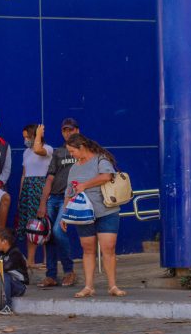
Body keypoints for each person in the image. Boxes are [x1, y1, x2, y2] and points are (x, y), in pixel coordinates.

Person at [61, 133, 125, 298]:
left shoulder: (100, 159)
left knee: (108, 248)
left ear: (81, 148)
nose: (71, 155)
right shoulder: (74, 168)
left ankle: (113, 286)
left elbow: (107, 176)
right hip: (83, 215)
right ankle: (89, 286)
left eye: (72, 151)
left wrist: (85, 185)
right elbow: (68, 192)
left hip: (106, 212)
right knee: (87, 249)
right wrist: (64, 214)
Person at [37, 118, 79, 287]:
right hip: (53, 198)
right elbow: (50, 178)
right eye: (64, 130)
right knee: (48, 235)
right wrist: (42, 203)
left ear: (77, 130)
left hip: (68, 198)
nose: (67, 133)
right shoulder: (58, 152)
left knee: (57, 231)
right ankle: (51, 275)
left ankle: (69, 271)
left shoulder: (84, 151)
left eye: (70, 130)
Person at [17, 124, 52, 265]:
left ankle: (46, 261)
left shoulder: (47, 149)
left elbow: (38, 149)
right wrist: (21, 195)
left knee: (43, 224)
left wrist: (38, 134)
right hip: (28, 190)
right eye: (24, 137)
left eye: (28, 136)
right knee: (29, 225)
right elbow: (24, 175)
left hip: (41, 189)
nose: (26, 139)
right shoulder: (26, 152)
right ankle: (30, 261)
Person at [0, 227, 28, 313]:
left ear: (4, 242)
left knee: (5, 275)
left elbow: (5, 268)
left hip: (19, 286)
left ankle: (7, 306)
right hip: (5, 285)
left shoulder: (15, 254)